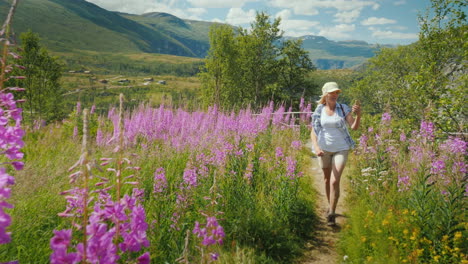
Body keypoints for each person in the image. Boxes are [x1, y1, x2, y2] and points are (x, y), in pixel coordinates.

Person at [310, 82, 361, 226]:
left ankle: (331, 212)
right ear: (325, 95)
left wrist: (358, 115)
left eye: (337, 92)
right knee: (326, 180)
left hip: (341, 148)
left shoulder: (343, 108)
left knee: (334, 180)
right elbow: (313, 132)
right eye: (332, 92)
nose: (335, 95)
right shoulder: (319, 110)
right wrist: (317, 148)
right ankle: (329, 205)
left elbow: (354, 127)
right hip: (324, 150)